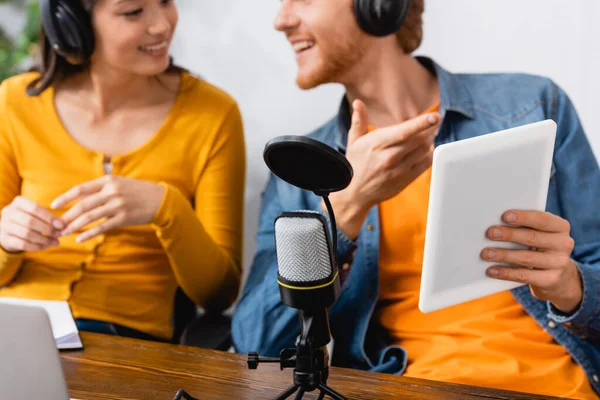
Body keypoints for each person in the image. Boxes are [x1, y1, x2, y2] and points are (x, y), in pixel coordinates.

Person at [232, 0, 600, 397]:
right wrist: (348, 206)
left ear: (377, 5)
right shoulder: (299, 170)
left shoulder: (531, 107)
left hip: (560, 387)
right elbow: (256, 341)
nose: (281, 20)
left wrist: (568, 284)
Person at [0, 0, 245, 343]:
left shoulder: (214, 116)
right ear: (74, 24)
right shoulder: (14, 102)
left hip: (126, 345)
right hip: (15, 328)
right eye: (133, 12)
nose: (162, 25)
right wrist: (6, 240)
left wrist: (166, 207)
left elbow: (218, 294)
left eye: (165, 1)